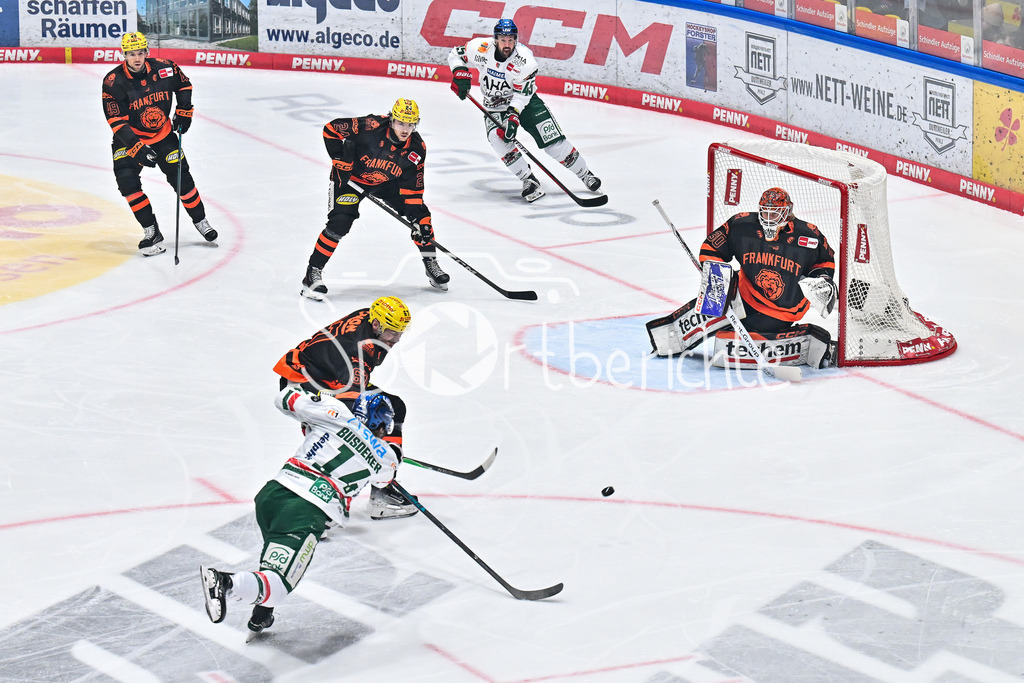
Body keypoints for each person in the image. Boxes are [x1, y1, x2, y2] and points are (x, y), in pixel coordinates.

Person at [200, 388, 407, 639]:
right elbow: (386, 478)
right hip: (306, 509)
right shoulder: (385, 456)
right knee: (279, 585)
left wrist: (318, 406)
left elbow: (284, 398)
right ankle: (226, 582)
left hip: (274, 495)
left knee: (276, 560)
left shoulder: (336, 413)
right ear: (383, 425)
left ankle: (262, 615)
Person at [646, 188, 839, 369]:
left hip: (781, 310)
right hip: (743, 293)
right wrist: (717, 277)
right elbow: (711, 248)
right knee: (710, 307)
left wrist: (822, 280)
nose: (768, 219)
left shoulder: (808, 236)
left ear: (787, 212)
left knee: (730, 343)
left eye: (774, 214)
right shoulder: (742, 225)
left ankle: (810, 343)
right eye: (765, 213)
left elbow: (824, 262)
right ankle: (667, 338)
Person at [272, 295, 417, 521]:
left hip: (329, 376)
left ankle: (382, 491)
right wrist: (373, 442)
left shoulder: (370, 320)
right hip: (303, 384)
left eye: (400, 332)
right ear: (377, 324)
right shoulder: (357, 352)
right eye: (392, 332)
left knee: (393, 407)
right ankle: (321, 501)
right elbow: (355, 397)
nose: (396, 339)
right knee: (345, 429)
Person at [301, 98, 449, 300]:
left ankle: (430, 263)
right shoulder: (370, 126)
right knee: (340, 223)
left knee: (422, 218)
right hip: (350, 179)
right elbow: (330, 129)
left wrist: (418, 223)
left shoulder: (416, 149)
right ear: (391, 120)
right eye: (401, 123)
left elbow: (412, 192)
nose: (405, 129)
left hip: (386, 183)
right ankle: (312, 274)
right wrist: (339, 160)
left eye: (410, 124)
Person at [447, 18, 601, 203]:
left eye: (511, 40)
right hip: (494, 107)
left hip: (525, 103)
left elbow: (522, 95)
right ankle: (529, 180)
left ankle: (585, 174)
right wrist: (459, 72)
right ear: (495, 39)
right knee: (499, 140)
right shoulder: (479, 48)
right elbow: (455, 54)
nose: (507, 44)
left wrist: (513, 116)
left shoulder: (525, 61)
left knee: (553, 143)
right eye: (503, 40)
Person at [101, 32, 217, 256]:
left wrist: (184, 112)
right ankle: (151, 231)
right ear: (124, 54)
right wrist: (135, 146)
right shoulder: (113, 81)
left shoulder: (165, 68)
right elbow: (115, 120)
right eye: (131, 54)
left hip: (163, 135)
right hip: (129, 139)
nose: (136, 58)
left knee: (182, 181)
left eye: (140, 53)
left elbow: (184, 85)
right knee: (127, 182)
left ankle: (201, 221)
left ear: (147, 52)